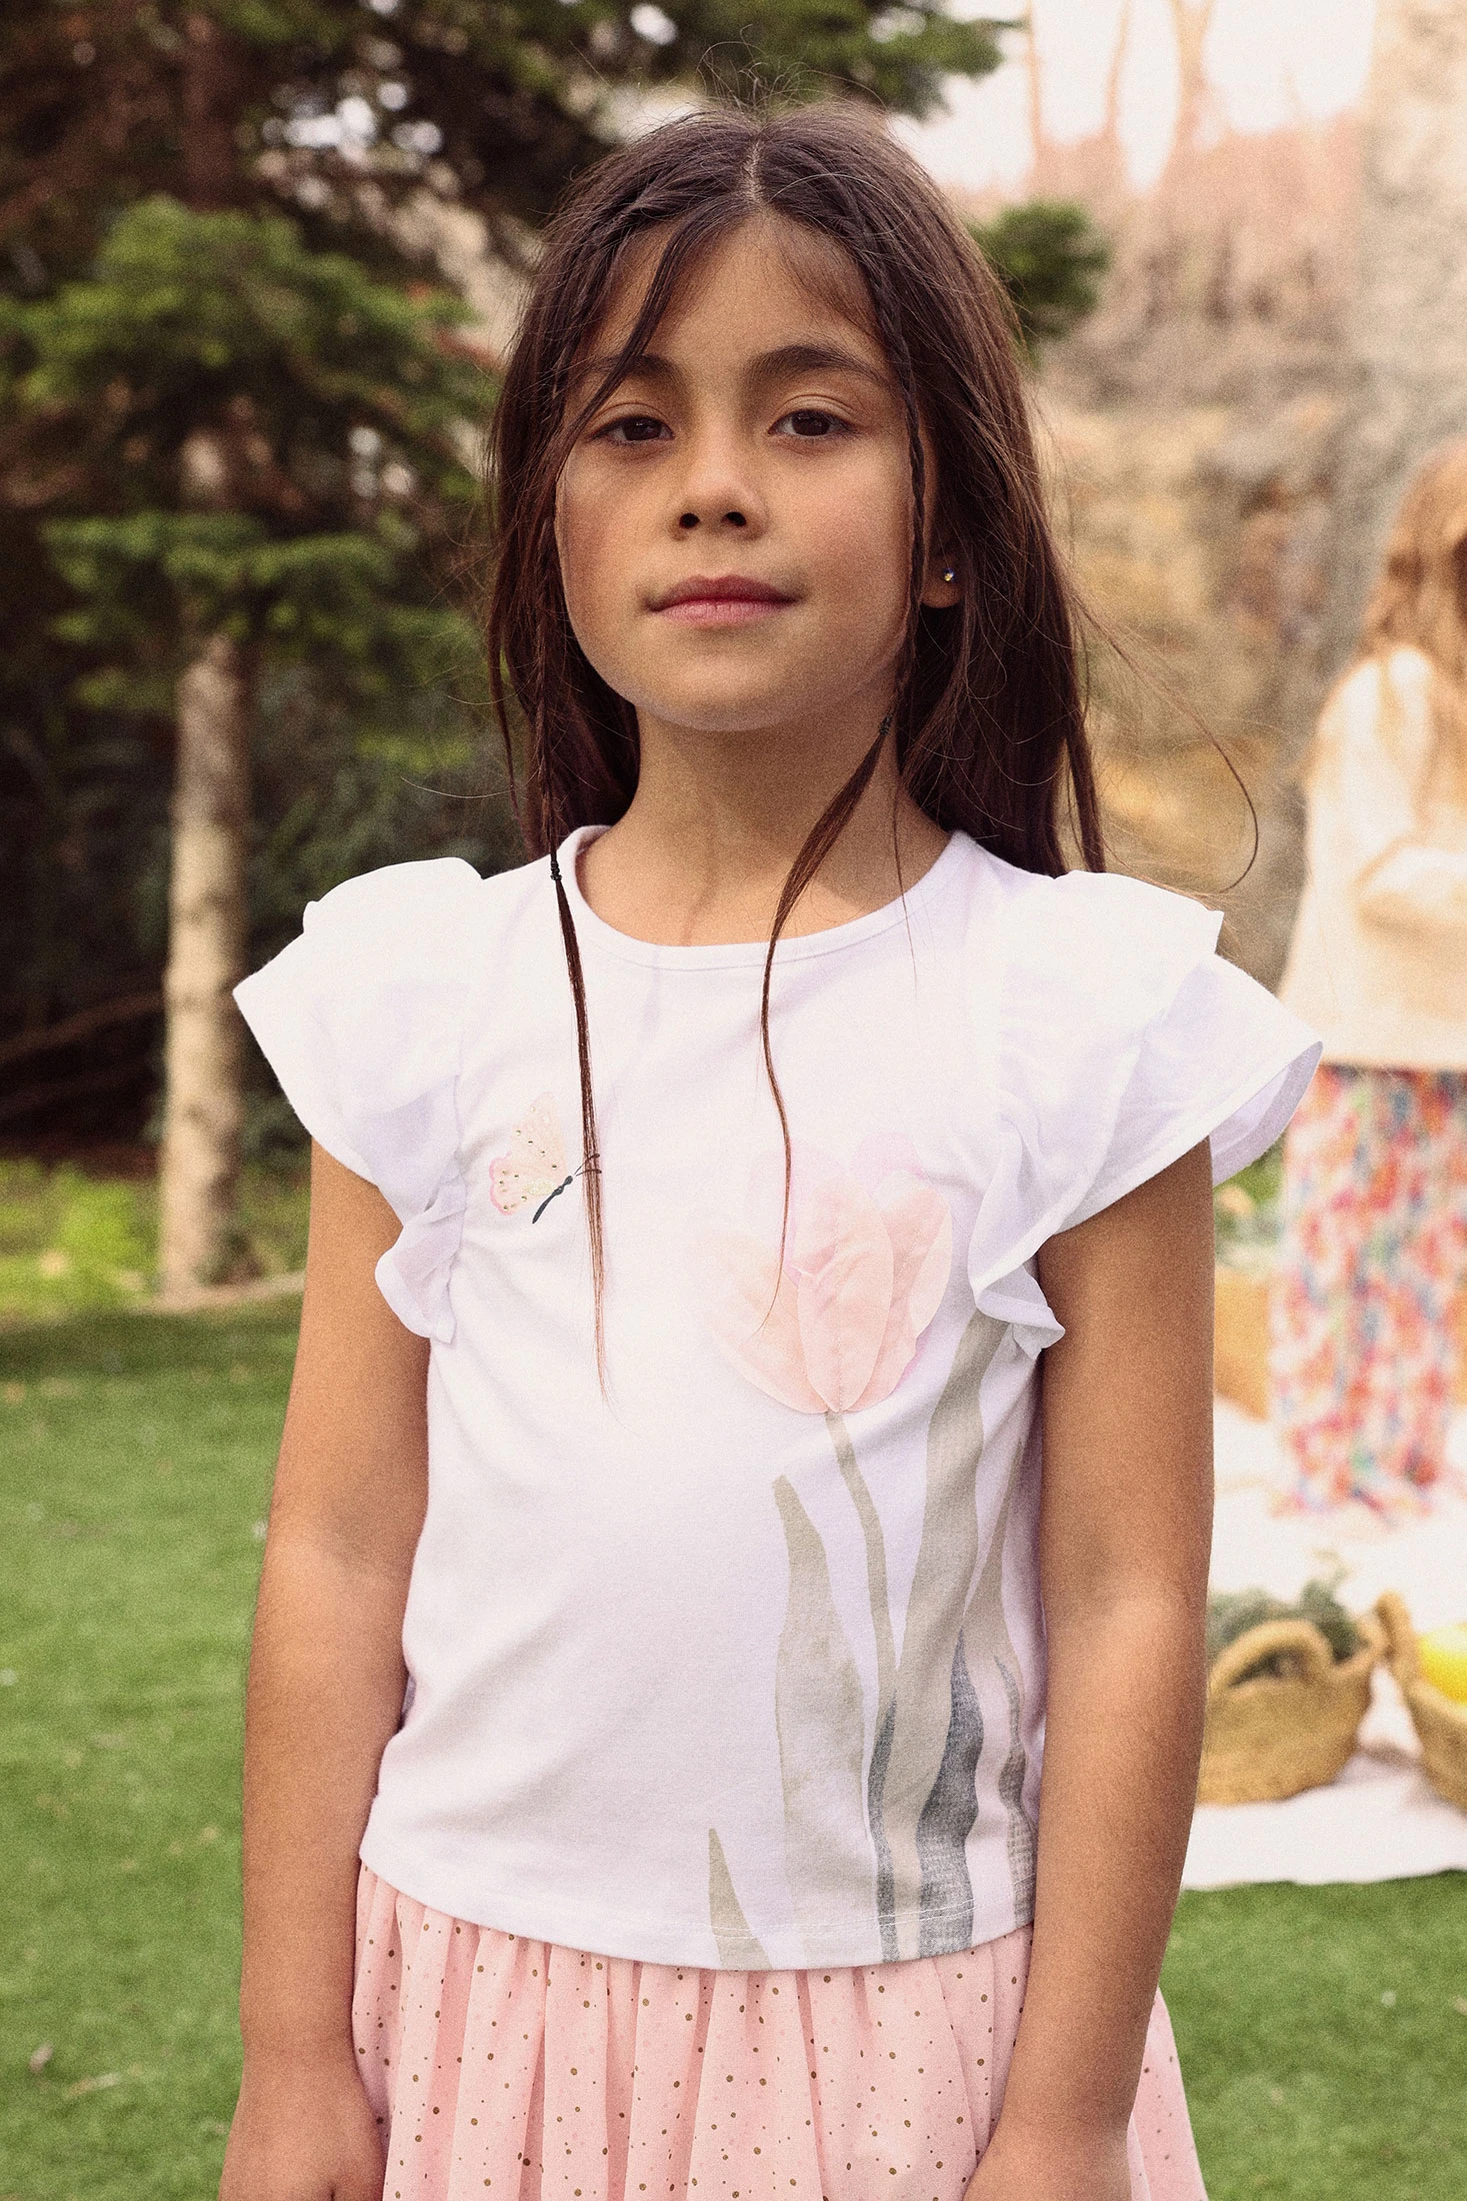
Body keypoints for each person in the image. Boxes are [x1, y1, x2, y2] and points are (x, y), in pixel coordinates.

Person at [220, 106, 1318, 2201]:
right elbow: (336, 1549)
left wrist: (1067, 2112)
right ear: (547, 520)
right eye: (630, 425)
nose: (712, 480)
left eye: (809, 416)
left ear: (947, 527)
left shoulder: (1077, 1020)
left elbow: (1123, 1600)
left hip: (911, 2050)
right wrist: (292, 2053)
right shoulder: (427, 997)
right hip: (472, 2021)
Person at [1272, 441, 1467, 1519]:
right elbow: (1379, 873)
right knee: (1338, 1261)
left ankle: (1401, 1461)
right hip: (1359, 1034)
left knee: (1428, 1264)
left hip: (1444, 1036)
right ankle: (1321, 1473)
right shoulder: (1386, 693)